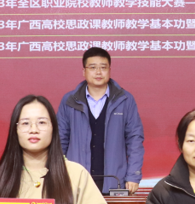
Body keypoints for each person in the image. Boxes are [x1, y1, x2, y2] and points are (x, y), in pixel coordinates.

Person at [57, 47, 145, 194]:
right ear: (84, 71)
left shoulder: (125, 100)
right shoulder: (69, 101)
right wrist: (59, 175)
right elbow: (60, 141)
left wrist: (133, 176)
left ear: (109, 70)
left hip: (114, 181)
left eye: (103, 67)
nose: (98, 72)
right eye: (92, 67)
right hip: (76, 182)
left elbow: (134, 139)